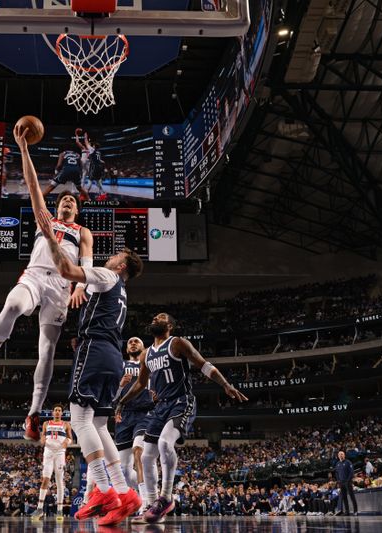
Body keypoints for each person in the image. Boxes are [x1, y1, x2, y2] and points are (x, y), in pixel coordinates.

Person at [25, 123, 145, 527]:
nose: (112, 258)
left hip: (96, 348)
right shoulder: (122, 294)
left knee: (78, 421)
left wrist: (57, 249)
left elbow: (72, 269)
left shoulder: (110, 277)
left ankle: (106, 489)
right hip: (111, 357)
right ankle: (124, 492)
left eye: (117, 257)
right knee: (97, 425)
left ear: (123, 266)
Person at [0, 147, 94, 442]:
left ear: (77, 209)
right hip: (34, 275)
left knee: (46, 351)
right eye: (65, 199)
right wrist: (23, 149)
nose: (69, 201)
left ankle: (34, 414)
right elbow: (33, 184)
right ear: (58, 206)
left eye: (73, 200)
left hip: (61, 287)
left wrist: (82, 286)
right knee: (12, 305)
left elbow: (87, 263)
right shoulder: (43, 218)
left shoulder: (83, 231)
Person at [117, 313, 248, 524]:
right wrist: (123, 401)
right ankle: (151, 506)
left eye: (159, 318)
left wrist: (225, 384)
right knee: (146, 456)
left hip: (181, 401)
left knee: (164, 443)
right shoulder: (146, 354)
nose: (154, 319)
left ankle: (166, 497)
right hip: (160, 407)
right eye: (153, 317)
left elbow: (203, 364)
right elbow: (141, 383)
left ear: (169, 325)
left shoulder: (177, 343)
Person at [113, 336, 154, 512]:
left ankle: (147, 501)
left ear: (143, 347)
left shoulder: (150, 364)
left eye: (137, 341)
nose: (133, 343)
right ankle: (139, 496)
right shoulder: (120, 366)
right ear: (126, 349)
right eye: (130, 342)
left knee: (139, 452)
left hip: (146, 413)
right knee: (124, 468)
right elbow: (112, 396)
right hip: (124, 415)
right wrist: (120, 385)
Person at [32, 404, 72, 521]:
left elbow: (70, 438)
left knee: (59, 481)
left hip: (60, 453)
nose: (58, 412)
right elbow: (43, 436)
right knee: (45, 480)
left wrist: (67, 442)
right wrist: (42, 439)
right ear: (52, 412)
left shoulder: (66, 424)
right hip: (48, 453)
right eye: (56, 410)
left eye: (60, 410)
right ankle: (40, 509)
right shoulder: (46, 423)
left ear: (62, 413)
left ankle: (59, 510)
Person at [75, 130, 107, 200]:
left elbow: (86, 142)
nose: (90, 144)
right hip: (94, 165)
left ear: (94, 146)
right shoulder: (97, 151)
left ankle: (84, 194)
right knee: (96, 181)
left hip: (92, 166)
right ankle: (103, 194)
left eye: (91, 144)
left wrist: (85, 137)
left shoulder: (92, 149)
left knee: (89, 180)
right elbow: (101, 161)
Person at [334, 450, 357, 515]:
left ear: (344, 455)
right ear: (338, 456)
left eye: (342, 454)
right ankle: (347, 511)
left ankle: (355, 511)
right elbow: (336, 473)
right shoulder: (337, 463)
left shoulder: (348, 462)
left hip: (348, 482)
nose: (340, 455)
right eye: (339, 454)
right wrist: (338, 481)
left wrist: (348, 480)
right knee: (344, 497)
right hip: (341, 483)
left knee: (352, 496)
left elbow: (351, 472)